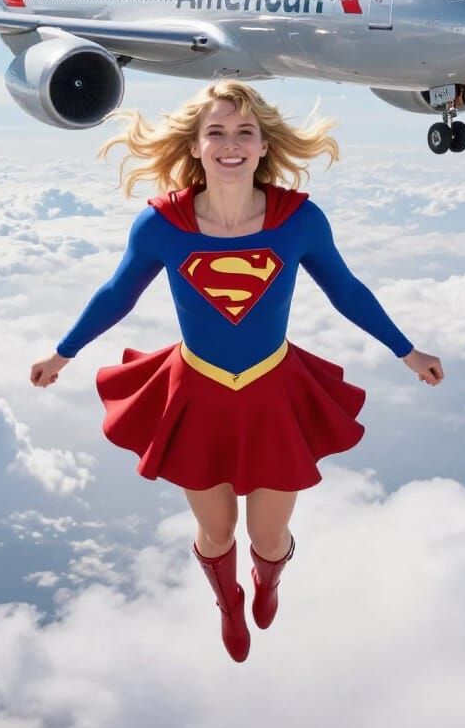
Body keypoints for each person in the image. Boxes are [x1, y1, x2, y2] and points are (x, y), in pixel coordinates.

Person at [30, 80, 443, 663]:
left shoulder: (299, 220)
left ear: (263, 145)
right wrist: (62, 353)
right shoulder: (161, 225)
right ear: (195, 146)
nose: (231, 144)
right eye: (216, 133)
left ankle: (268, 580)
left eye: (244, 132)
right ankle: (227, 601)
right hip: (196, 396)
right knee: (217, 534)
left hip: (274, 394)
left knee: (268, 538)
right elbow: (116, 294)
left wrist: (408, 351)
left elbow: (345, 291)